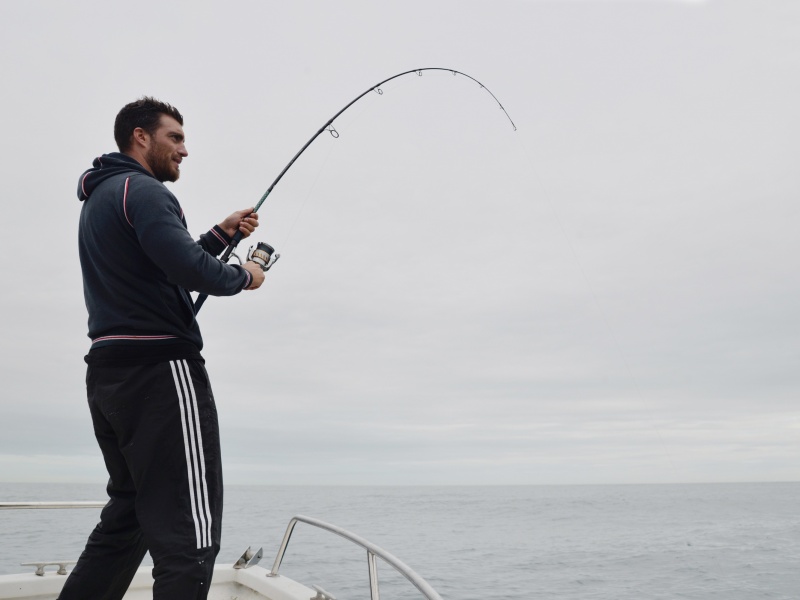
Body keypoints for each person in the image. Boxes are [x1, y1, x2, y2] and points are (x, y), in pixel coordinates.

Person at [59, 97, 265, 600]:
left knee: (127, 519)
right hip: (160, 374)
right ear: (140, 137)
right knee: (188, 538)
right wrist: (246, 276)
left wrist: (220, 234)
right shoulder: (145, 191)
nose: (185, 149)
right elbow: (191, 271)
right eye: (175, 137)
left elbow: (161, 262)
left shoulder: (104, 197)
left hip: (110, 376)